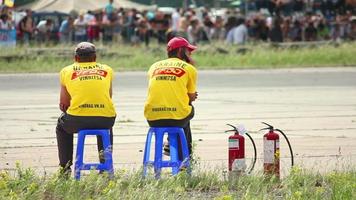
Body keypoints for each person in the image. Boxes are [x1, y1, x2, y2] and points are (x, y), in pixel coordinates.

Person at [56, 42, 116, 174]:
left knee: (61, 127)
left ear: (76, 58)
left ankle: (65, 168)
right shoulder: (107, 70)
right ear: (95, 58)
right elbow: (108, 97)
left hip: (77, 120)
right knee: (105, 124)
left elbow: (64, 103)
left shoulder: (66, 71)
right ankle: (105, 166)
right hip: (105, 119)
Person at [144, 37, 198, 160]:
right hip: (176, 119)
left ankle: (170, 142)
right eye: (188, 50)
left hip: (153, 118)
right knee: (187, 110)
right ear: (180, 51)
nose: (190, 54)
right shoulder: (189, 68)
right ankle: (185, 160)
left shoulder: (154, 66)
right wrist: (191, 96)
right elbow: (190, 97)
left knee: (179, 111)